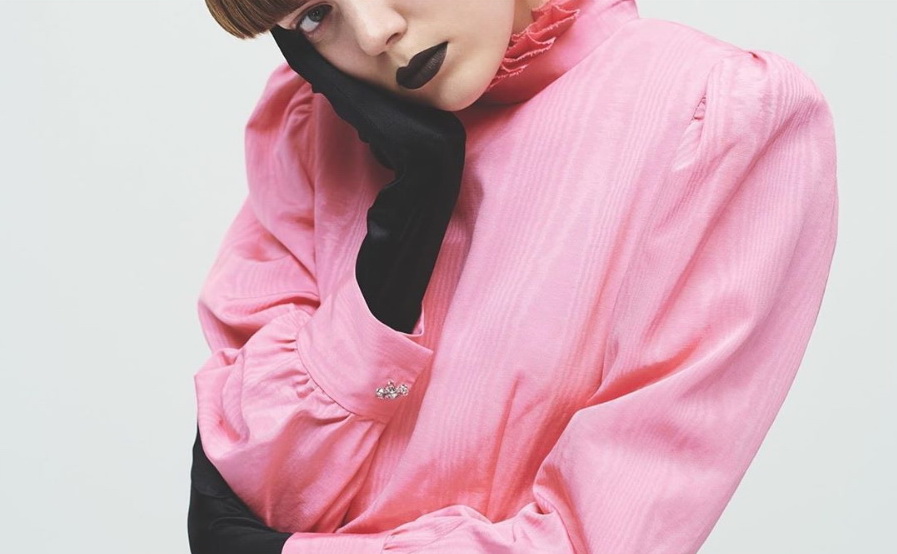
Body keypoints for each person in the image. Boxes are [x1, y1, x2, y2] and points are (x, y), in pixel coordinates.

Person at [188, 0, 839, 552]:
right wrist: (393, 263)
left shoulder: (716, 118)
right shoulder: (316, 121)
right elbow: (261, 485)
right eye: (314, 16)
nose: (374, 32)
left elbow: (594, 537)